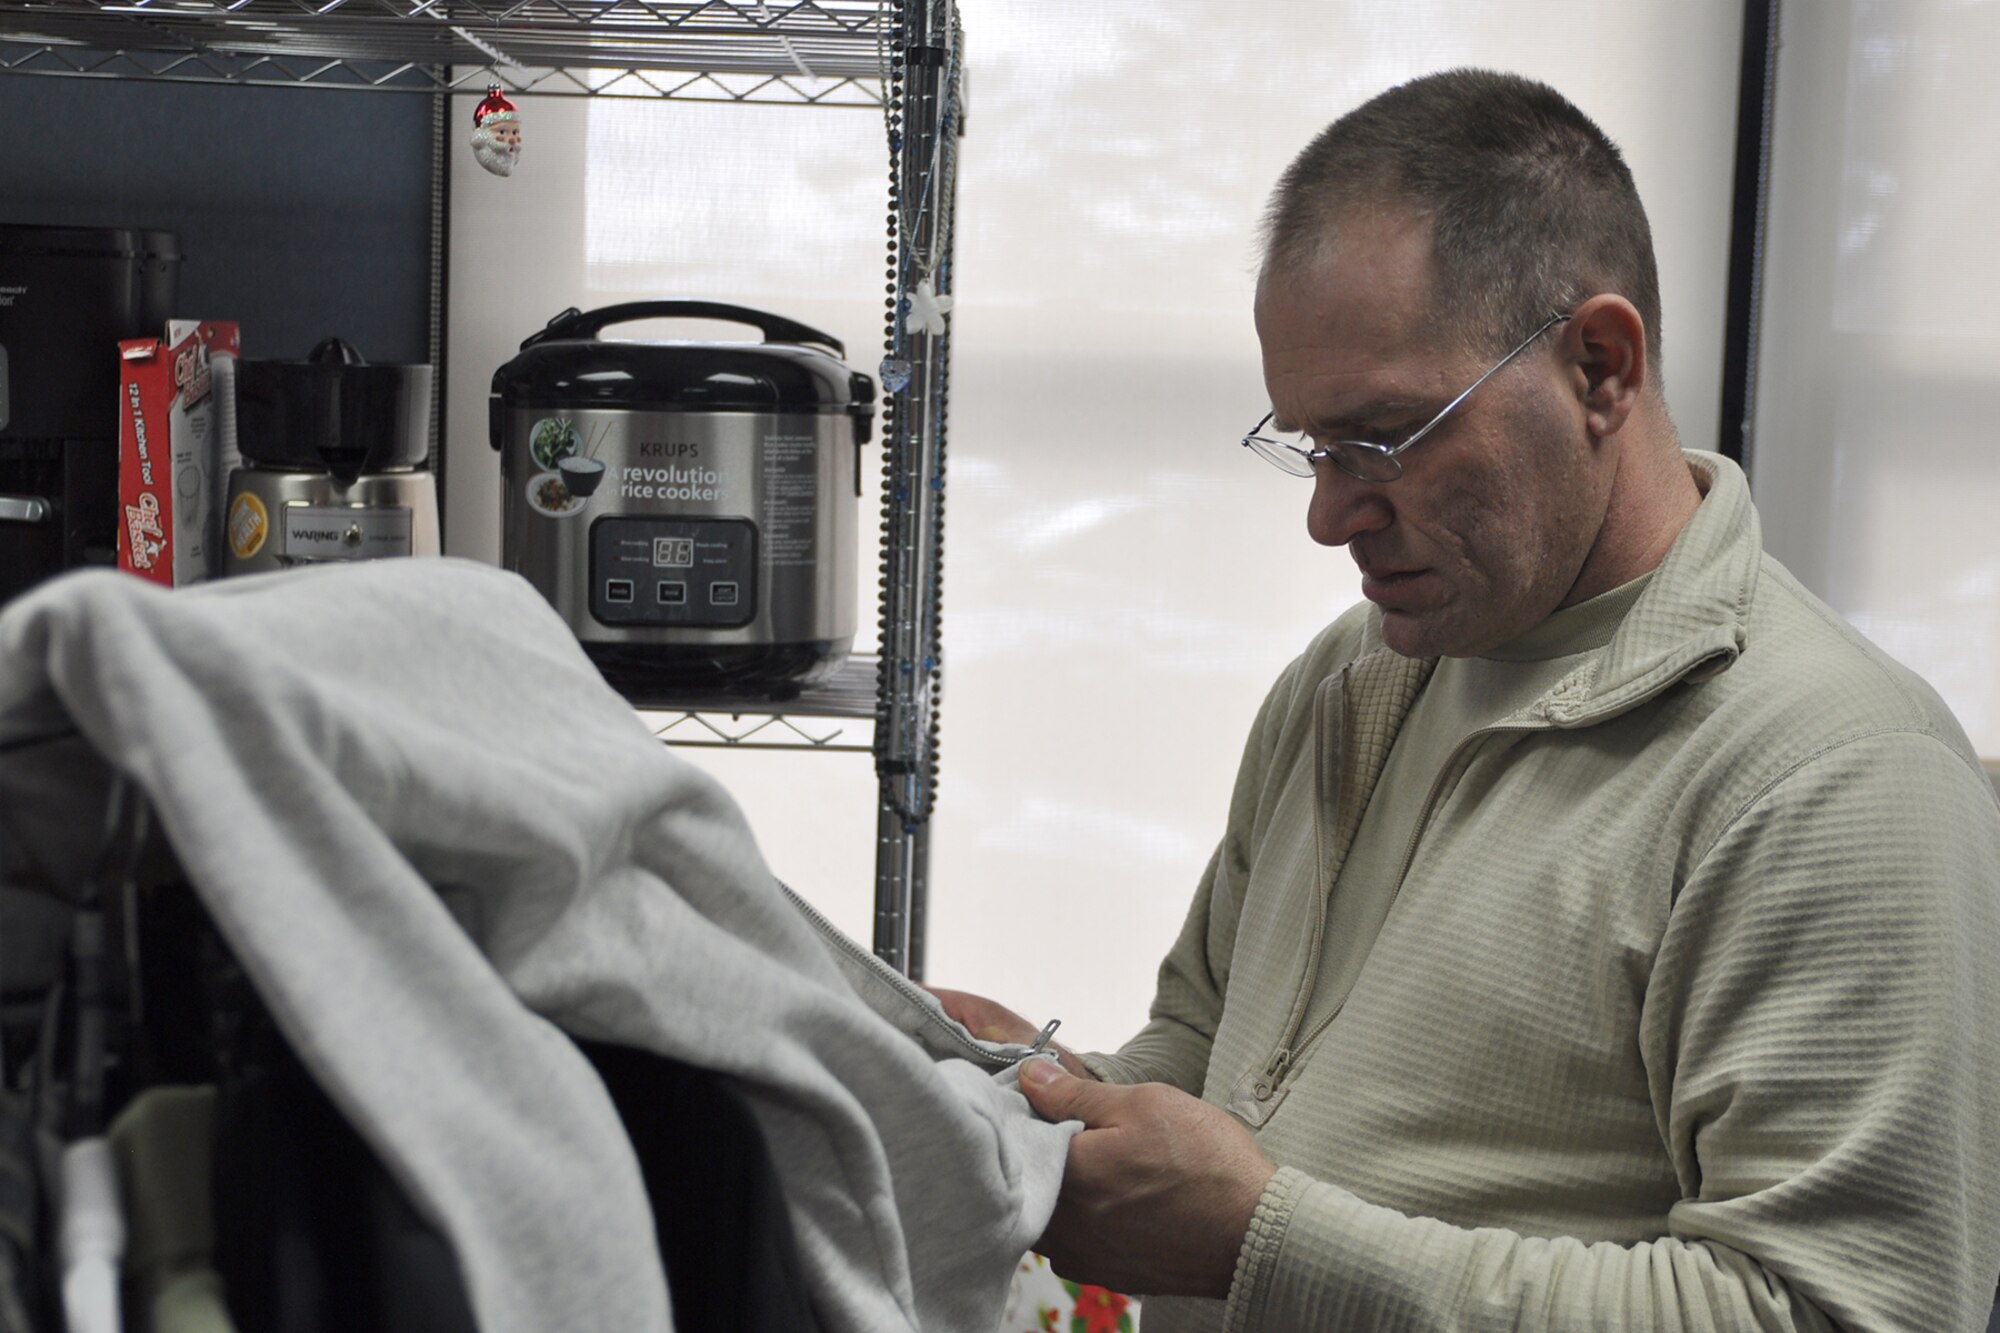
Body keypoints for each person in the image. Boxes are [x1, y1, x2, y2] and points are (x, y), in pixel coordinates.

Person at [934, 68, 2000, 1332]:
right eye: (1312, 448)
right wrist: (1040, 1096)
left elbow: (1830, 1311)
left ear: (1600, 367)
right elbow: (1210, 1059)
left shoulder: (1833, 777)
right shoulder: (1353, 679)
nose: (1329, 514)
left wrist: (1264, 1240)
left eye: (1383, 436)